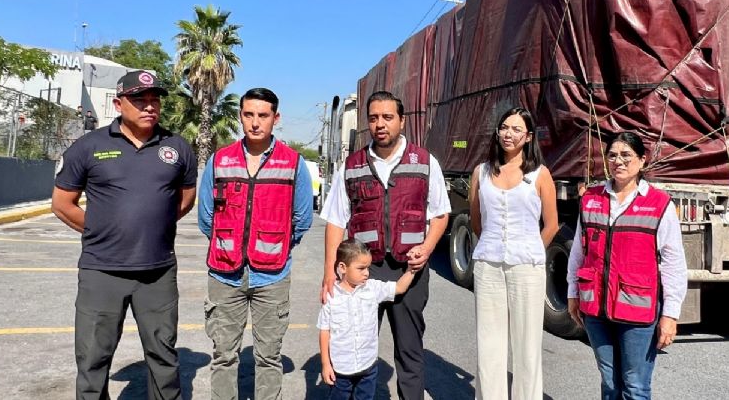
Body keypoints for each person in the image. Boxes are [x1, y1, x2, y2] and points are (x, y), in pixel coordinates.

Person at [51, 70, 197, 400]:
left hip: (158, 272)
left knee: (163, 358)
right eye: (139, 100)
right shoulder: (89, 146)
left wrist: (153, 226)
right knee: (93, 359)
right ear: (119, 103)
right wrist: (104, 232)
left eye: (154, 100)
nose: (149, 106)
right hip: (101, 271)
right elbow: (62, 204)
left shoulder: (177, 147)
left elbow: (185, 198)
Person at [321, 90, 451, 400]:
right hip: (364, 272)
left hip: (410, 270)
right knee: (352, 343)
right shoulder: (351, 165)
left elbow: (441, 213)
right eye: (374, 118)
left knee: (409, 350)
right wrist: (329, 272)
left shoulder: (424, 161)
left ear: (402, 121)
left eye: (388, 117)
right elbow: (336, 220)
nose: (381, 124)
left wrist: (428, 247)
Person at [198, 87, 313, 400]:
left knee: (268, 357)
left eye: (263, 115)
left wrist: (275, 247)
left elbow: (302, 219)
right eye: (248, 114)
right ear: (240, 116)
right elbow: (206, 217)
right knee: (223, 355)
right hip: (224, 274)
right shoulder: (220, 160)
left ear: (276, 118)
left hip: (272, 277)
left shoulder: (292, 163)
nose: (255, 122)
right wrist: (230, 246)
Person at [566, 131, 688, 400]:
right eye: (612, 155)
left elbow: (673, 263)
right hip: (596, 308)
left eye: (626, 155)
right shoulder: (591, 199)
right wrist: (573, 292)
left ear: (642, 161)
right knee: (609, 382)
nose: (618, 161)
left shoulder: (659, 204)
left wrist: (670, 315)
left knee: (635, 387)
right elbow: (579, 250)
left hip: (638, 311)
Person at [468, 107, 558, 400]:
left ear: (528, 136)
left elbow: (552, 224)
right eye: (504, 127)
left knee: (527, 345)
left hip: (527, 268)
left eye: (516, 129)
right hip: (488, 264)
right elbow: (476, 219)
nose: (509, 134)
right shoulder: (481, 172)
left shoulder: (540, 175)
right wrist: (495, 244)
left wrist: (530, 249)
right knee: (489, 342)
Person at [318, 239, 415, 400]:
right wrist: (326, 364)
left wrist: (411, 269)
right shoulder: (331, 296)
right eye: (361, 268)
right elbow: (324, 331)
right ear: (343, 267)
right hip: (341, 370)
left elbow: (399, 288)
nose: (366, 273)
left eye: (368, 268)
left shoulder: (372, 288)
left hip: (368, 366)